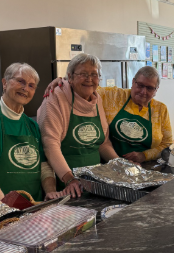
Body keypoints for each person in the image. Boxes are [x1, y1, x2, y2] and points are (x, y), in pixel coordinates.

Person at [0, 63, 63, 234]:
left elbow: (44, 166)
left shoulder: (31, 125)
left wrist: (50, 191)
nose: (25, 89)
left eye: (31, 86)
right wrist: (6, 206)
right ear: (4, 83)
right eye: (20, 81)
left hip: (26, 211)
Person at [45, 66, 173, 163]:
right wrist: (66, 80)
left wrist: (144, 156)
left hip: (144, 167)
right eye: (140, 85)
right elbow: (86, 85)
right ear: (133, 82)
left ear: (156, 90)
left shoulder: (160, 109)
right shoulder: (113, 96)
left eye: (150, 88)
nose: (143, 91)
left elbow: (166, 143)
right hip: (109, 164)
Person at [37, 53, 119, 198]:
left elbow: (103, 144)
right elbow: (50, 145)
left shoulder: (97, 99)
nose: (89, 79)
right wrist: (70, 179)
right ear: (71, 77)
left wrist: (121, 165)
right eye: (83, 74)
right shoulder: (55, 98)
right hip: (67, 186)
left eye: (94, 74)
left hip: (95, 183)